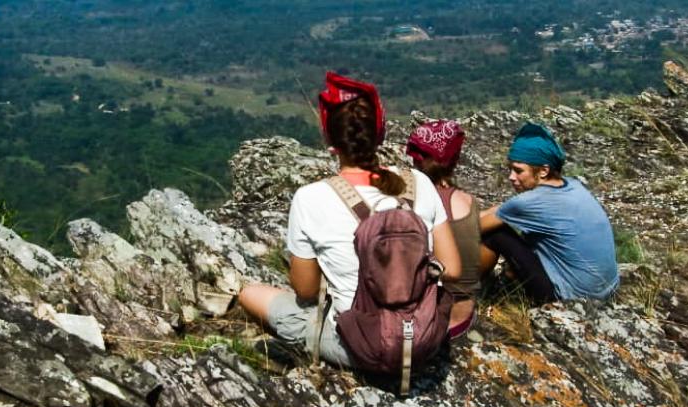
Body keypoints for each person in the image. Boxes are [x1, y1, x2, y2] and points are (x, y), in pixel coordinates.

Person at [238, 71, 461, 368]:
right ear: (379, 133)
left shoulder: (310, 198)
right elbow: (453, 269)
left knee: (251, 294)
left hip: (361, 349)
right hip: (423, 339)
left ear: (331, 140)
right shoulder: (418, 181)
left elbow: (305, 291)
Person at [479, 122, 619, 303]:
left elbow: (473, 228)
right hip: (605, 290)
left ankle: (468, 294)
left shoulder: (530, 202)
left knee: (494, 234)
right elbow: (504, 209)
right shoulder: (573, 185)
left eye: (518, 170)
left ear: (544, 170)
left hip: (569, 297)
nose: (511, 177)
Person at [406, 119, 480, 338]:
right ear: (455, 160)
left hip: (431, 317)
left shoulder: (413, 205)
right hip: (464, 314)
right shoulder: (468, 201)